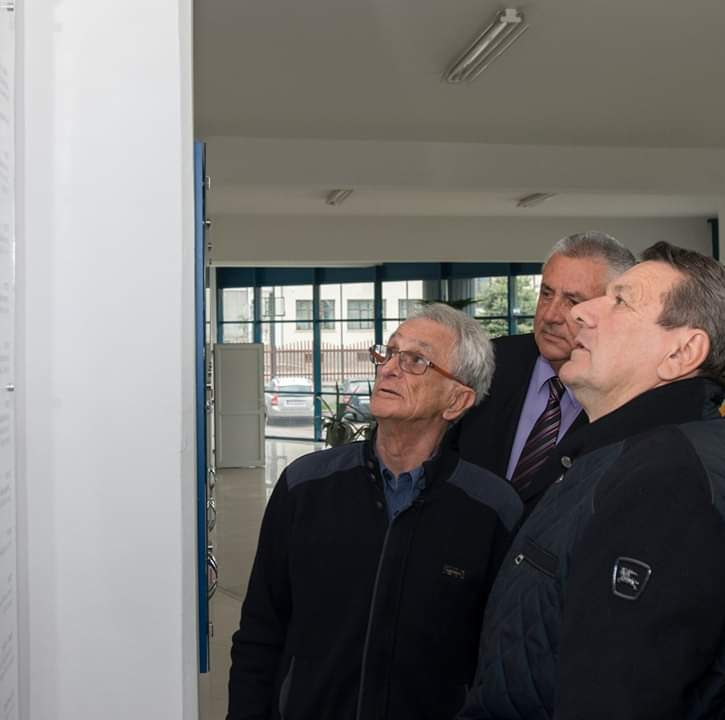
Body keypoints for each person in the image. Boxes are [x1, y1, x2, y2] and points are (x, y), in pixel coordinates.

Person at [458, 241, 725, 720]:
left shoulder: (666, 478)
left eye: (620, 301)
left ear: (682, 352)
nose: (579, 315)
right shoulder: (619, 455)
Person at [227, 304, 522, 720]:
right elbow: (261, 628)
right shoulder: (305, 485)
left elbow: (501, 661)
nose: (389, 369)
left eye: (416, 360)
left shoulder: (492, 509)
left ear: (457, 400)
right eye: (389, 352)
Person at [455, 232, 635, 508]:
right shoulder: (489, 361)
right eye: (547, 294)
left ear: (616, 310)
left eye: (573, 301)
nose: (549, 315)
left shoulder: (628, 397)